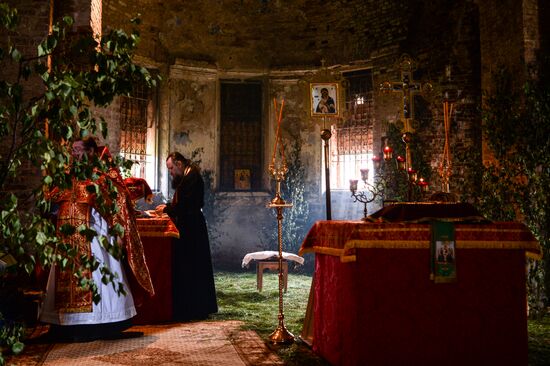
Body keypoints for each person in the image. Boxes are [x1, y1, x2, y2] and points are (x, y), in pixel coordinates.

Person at [39, 138, 154, 342]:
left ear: (90, 152)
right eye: (72, 150)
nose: (73, 154)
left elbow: (115, 205)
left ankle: (100, 324)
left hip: (94, 238)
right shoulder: (65, 176)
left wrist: (117, 232)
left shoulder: (100, 178)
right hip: (67, 240)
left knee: (99, 278)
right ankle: (64, 326)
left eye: (77, 150)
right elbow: (52, 200)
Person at [156, 152, 218, 321]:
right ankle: (192, 307)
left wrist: (168, 209)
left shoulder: (193, 177)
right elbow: (182, 201)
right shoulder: (188, 176)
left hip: (192, 228)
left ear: (179, 164)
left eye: (171, 169)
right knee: (190, 268)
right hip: (190, 226)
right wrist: (168, 206)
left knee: (193, 267)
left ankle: (195, 308)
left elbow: (186, 204)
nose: (170, 173)